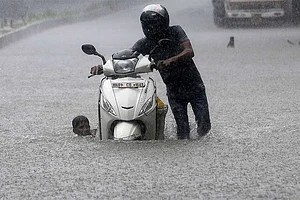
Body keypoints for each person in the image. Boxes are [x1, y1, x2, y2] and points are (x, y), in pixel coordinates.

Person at [91, 4, 211, 139]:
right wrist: (104, 67)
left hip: (194, 86)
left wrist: (170, 60)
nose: (151, 29)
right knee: (182, 132)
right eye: (147, 25)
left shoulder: (176, 32)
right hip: (174, 90)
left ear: (163, 23)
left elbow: (189, 51)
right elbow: (127, 58)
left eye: (154, 25)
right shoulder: (145, 43)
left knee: (204, 127)